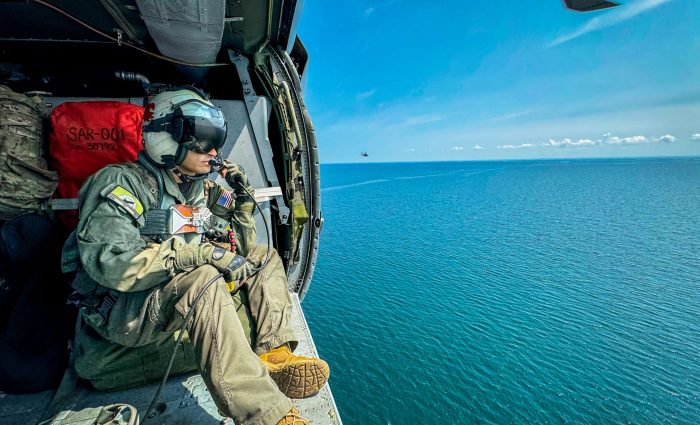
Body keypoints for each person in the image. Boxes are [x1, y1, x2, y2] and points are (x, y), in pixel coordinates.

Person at [62, 88, 328, 425]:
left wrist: (243, 203)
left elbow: (245, 249)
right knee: (202, 279)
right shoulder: (122, 183)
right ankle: (267, 415)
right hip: (127, 308)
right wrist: (198, 254)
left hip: (169, 295)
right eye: (203, 140)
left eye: (217, 140)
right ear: (166, 137)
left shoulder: (202, 190)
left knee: (264, 256)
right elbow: (112, 264)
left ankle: (274, 352)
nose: (214, 152)